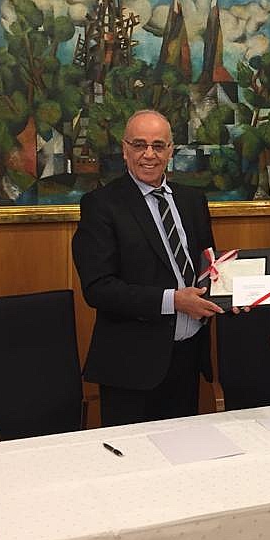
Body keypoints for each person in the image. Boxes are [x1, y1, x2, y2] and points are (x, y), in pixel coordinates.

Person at [72, 109, 223, 426]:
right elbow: (99, 288)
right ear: (125, 149)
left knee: (182, 450)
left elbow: (208, 267)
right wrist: (174, 301)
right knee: (132, 455)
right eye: (139, 145)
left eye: (158, 145)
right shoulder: (101, 205)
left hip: (187, 358)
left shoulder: (192, 200)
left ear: (171, 150)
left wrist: (229, 294)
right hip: (132, 366)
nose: (149, 155)